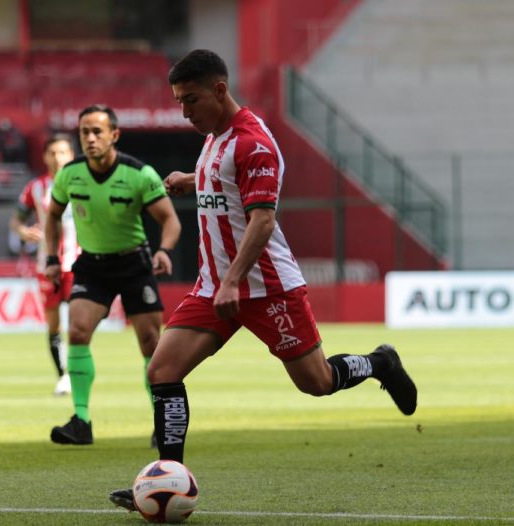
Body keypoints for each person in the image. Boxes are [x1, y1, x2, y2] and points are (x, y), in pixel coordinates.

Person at [108, 49, 417, 510]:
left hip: (265, 287)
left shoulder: (254, 142)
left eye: (190, 100)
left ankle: (380, 363)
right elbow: (224, 179)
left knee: (317, 382)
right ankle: (166, 480)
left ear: (219, 89)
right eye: (178, 101)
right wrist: (191, 180)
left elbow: (263, 221)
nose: (184, 112)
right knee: (162, 371)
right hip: (216, 286)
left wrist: (234, 280)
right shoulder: (215, 137)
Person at [45, 104, 181, 446]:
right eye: (83, 133)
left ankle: (160, 422)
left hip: (134, 263)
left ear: (114, 135)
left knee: (151, 344)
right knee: (76, 330)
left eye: (97, 132)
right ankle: (81, 420)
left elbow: (170, 220)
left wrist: (163, 250)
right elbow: (52, 217)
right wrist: (51, 255)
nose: (89, 139)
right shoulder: (69, 175)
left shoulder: (139, 174)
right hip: (92, 264)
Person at [10, 133, 77, 396]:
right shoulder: (35, 188)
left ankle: (78, 372)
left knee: (80, 324)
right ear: (45, 156)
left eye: (62, 152)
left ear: (71, 156)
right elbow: (15, 220)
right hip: (46, 265)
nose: (58, 158)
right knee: (53, 324)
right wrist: (23, 231)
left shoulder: (83, 183)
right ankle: (62, 376)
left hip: (78, 263)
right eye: (53, 153)